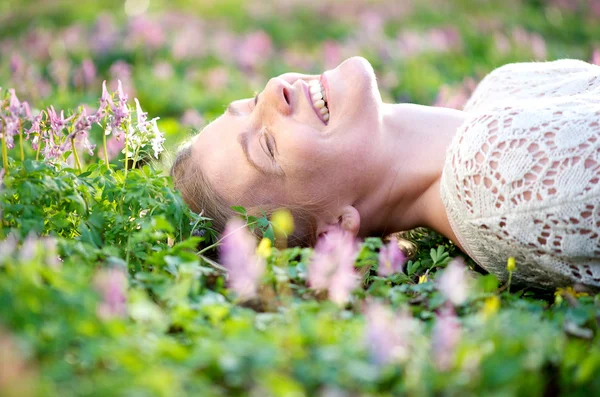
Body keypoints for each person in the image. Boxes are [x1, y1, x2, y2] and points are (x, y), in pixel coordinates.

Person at [171, 56, 600, 289]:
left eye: (248, 102)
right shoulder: (502, 183)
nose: (271, 92)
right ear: (335, 230)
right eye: (267, 144)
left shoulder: (490, 104)